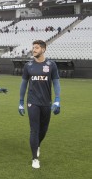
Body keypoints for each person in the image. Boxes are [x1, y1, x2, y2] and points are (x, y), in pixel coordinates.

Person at [18, 40, 61, 169]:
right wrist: (21, 102)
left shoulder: (51, 65)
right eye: (33, 47)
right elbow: (24, 84)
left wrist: (57, 100)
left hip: (46, 102)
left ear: (43, 49)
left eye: (36, 48)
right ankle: (35, 158)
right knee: (34, 130)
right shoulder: (28, 65)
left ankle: (37, 145)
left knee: (43, 130)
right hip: (32, 102)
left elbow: (56, 83)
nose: (34, 50)